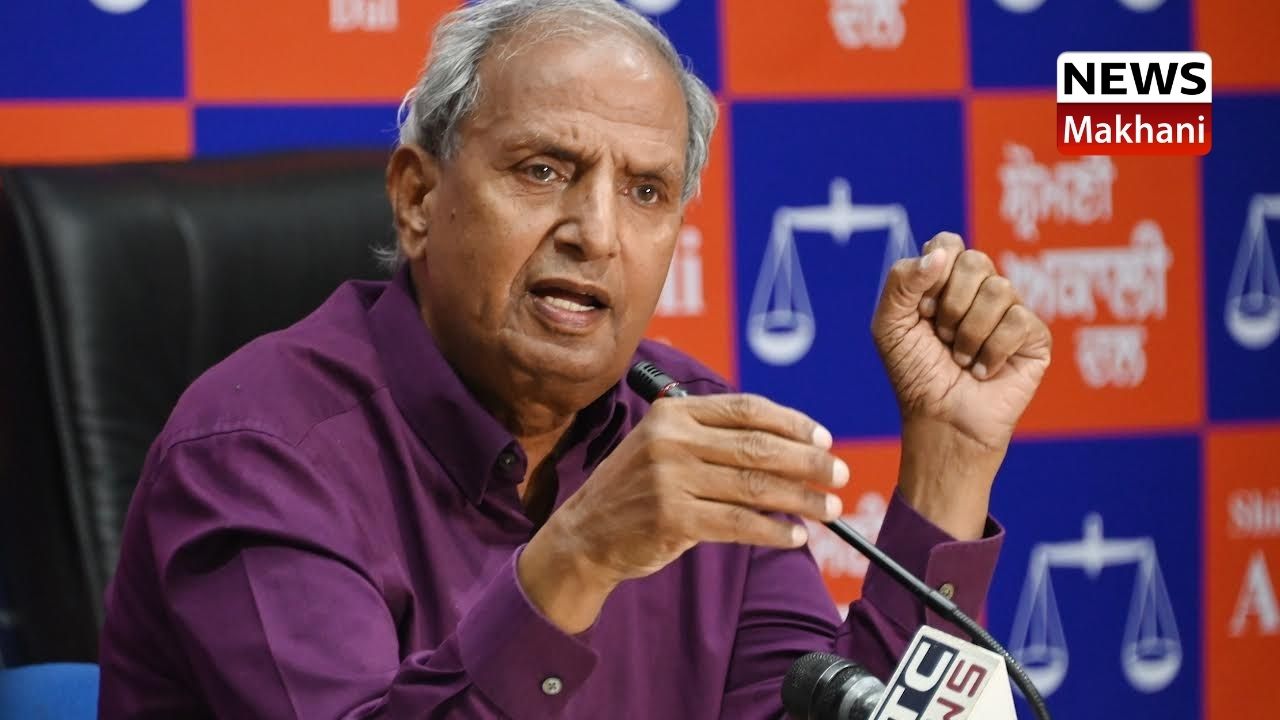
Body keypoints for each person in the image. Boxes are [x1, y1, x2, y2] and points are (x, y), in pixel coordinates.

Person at [98, 0, 1052, 717]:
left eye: (645, 191)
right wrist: (578, 559)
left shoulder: (689, 431)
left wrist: (951, 457)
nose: (595, 232)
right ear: (419, 198)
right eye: (544, 170)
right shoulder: (258, 452)